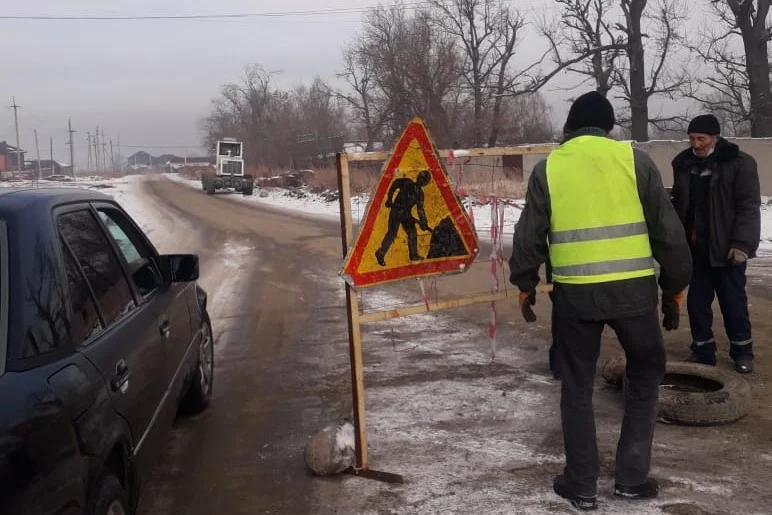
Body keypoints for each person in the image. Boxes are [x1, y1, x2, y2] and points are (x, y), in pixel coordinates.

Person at [509, 91, 692, 511]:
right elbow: (669, 233)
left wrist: (524, 282)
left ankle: (581, 484)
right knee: (645, 376)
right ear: (609, 126)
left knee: (576, 385)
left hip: (576, 299)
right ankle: (631, 478)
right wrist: (674, 288)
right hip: (635, 297)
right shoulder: (635, 162)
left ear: (570, 126)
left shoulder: (550, 168)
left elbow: (529, 236)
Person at [670, 115, 760, 374]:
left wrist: (742, 244)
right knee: (697, 303)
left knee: (733, 303)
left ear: (715, 138)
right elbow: (679, 205)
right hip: (696, 250)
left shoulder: (739, 164)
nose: (696, 144)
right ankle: (702, 350)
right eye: (691, 138)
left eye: (701, 138)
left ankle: (742, 351)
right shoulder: (685, 165)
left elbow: (748, 208)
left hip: (726, 250)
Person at [375, 170, 432, 266]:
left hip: (407, 215)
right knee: (392, 234)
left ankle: (413, 255)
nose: (422, 181)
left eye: (424, 181)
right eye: (421, 178)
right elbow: (394, 184)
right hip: (396, 211)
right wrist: (389, 198)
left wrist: (423, 222)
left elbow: (420, 209)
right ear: (418, 177)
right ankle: (380, 253)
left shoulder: (420, 194)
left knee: (412, 233)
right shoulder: (407, 182)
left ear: (426, 183)